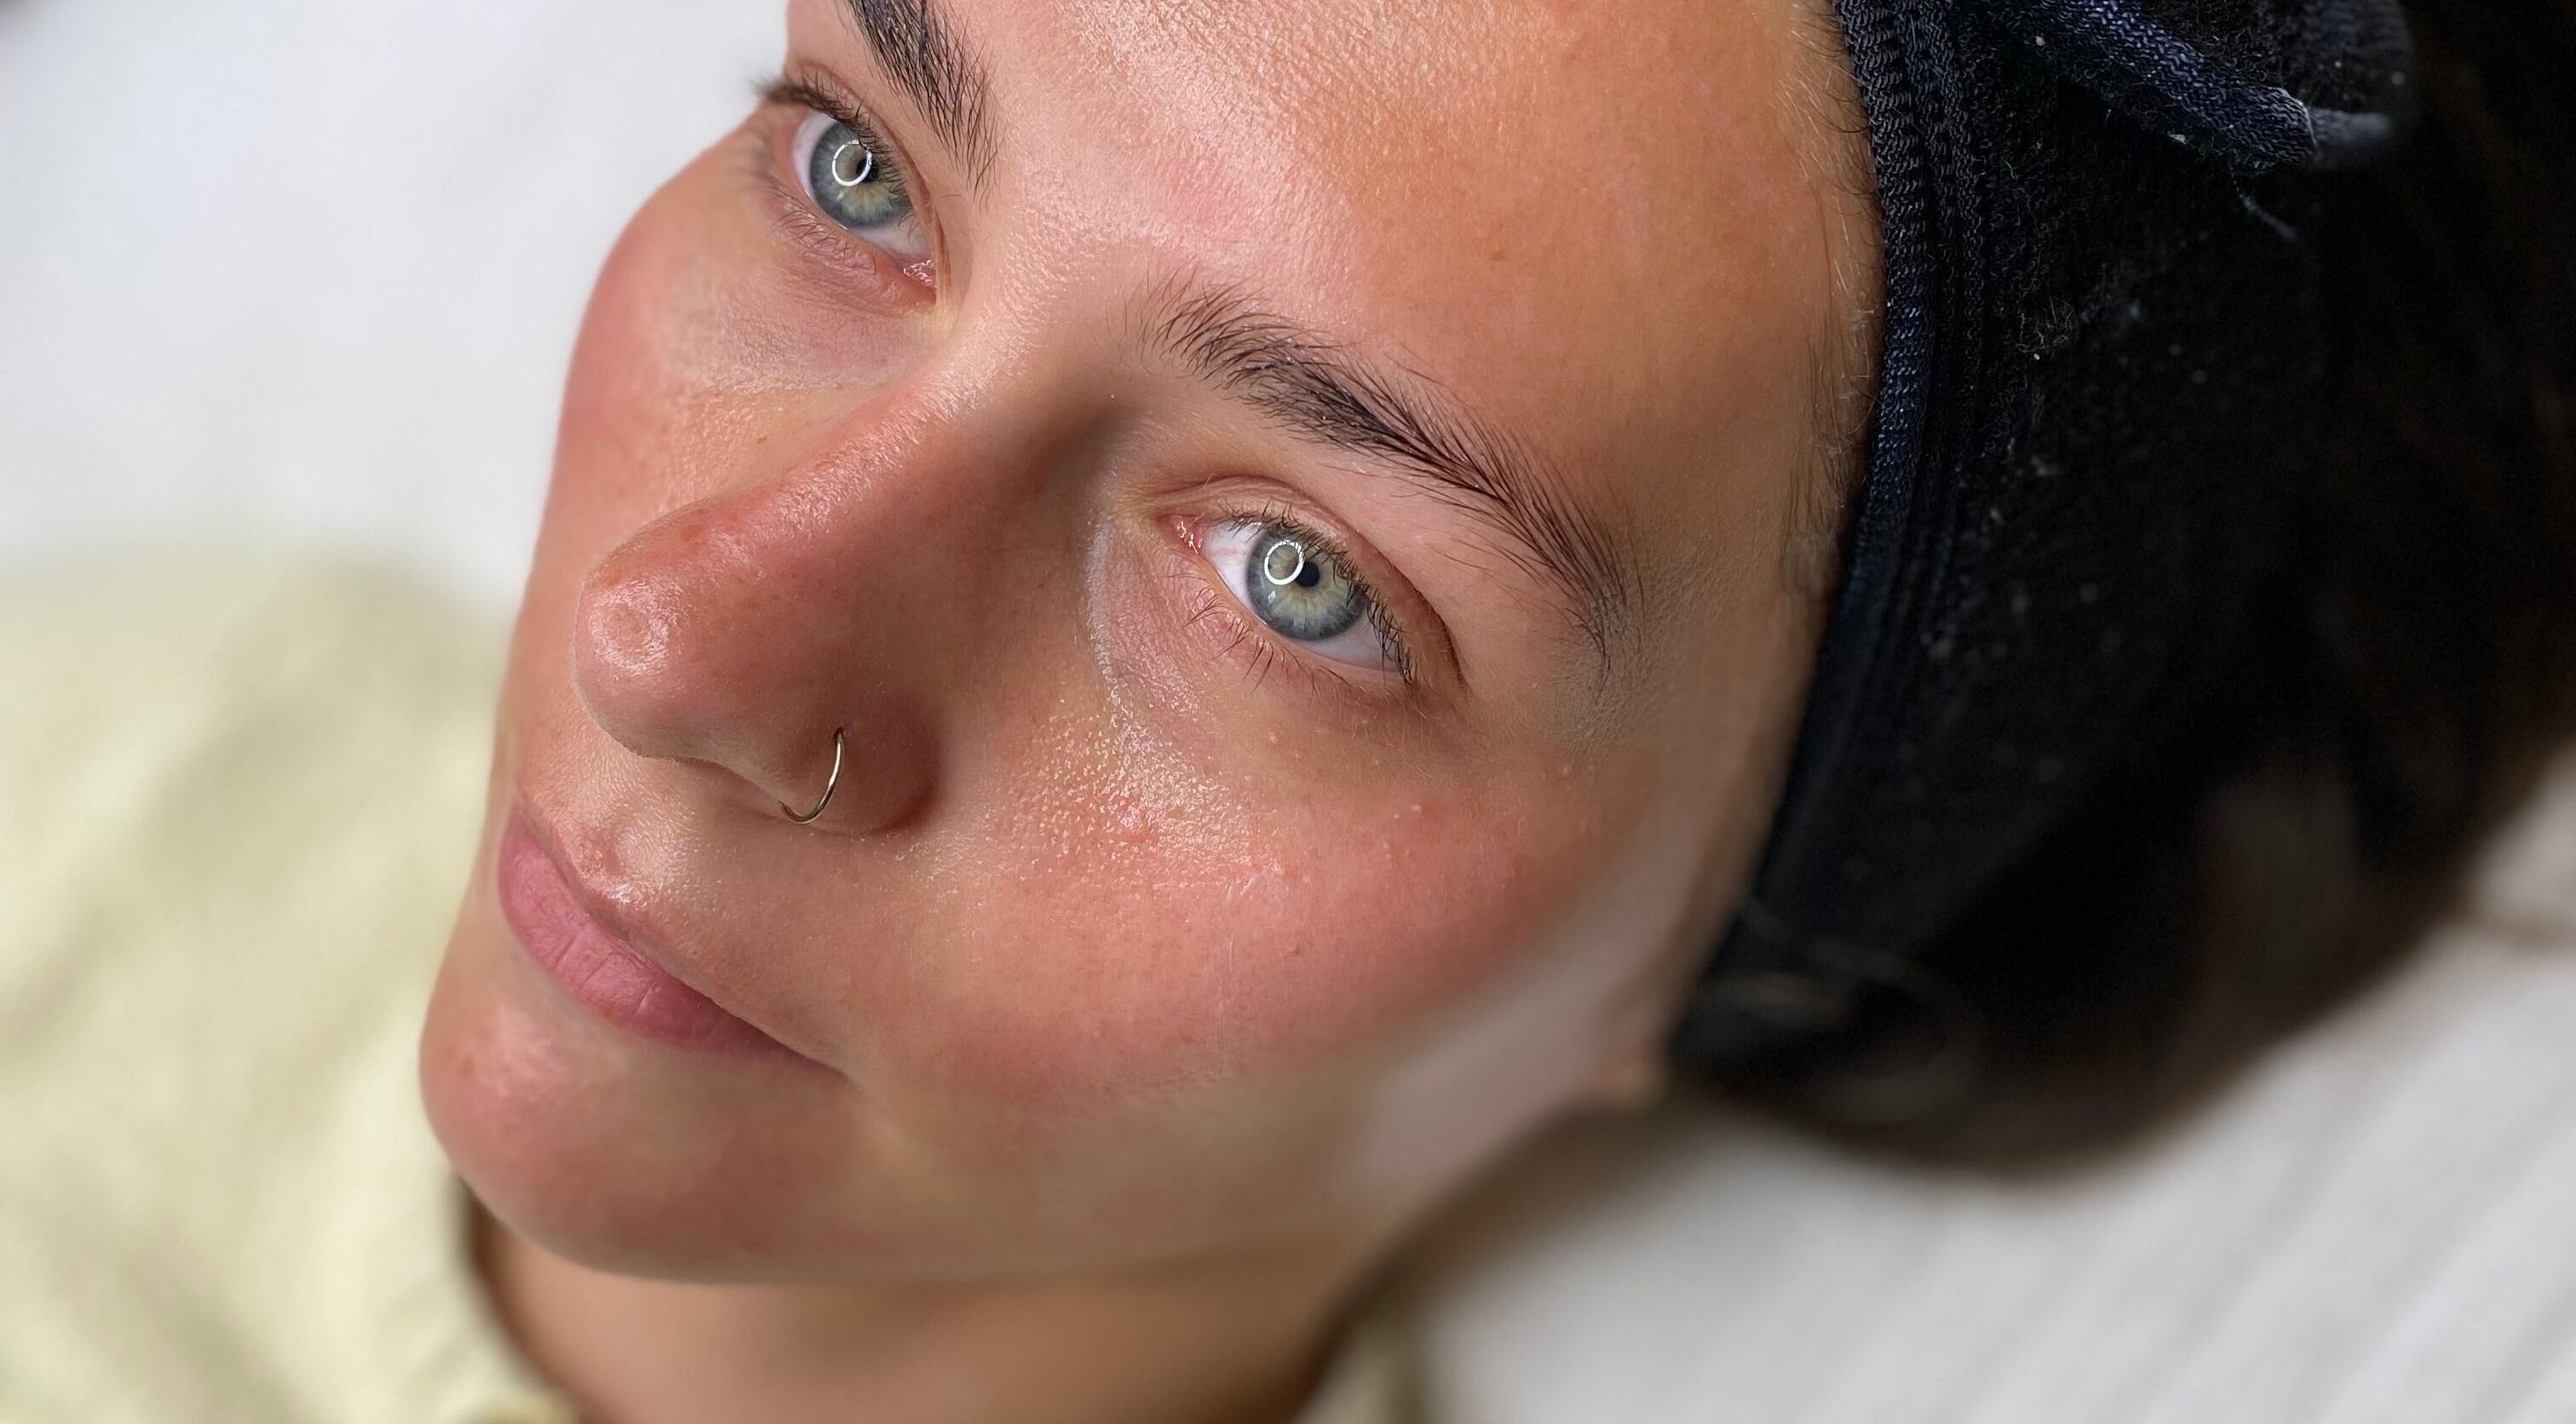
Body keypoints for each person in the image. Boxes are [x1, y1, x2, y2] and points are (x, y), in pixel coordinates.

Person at [2, 0, 2568, 1420]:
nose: (687, 644)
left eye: (1298, 580)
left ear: (1741, 948)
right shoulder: (137, 747)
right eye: (863, 173)